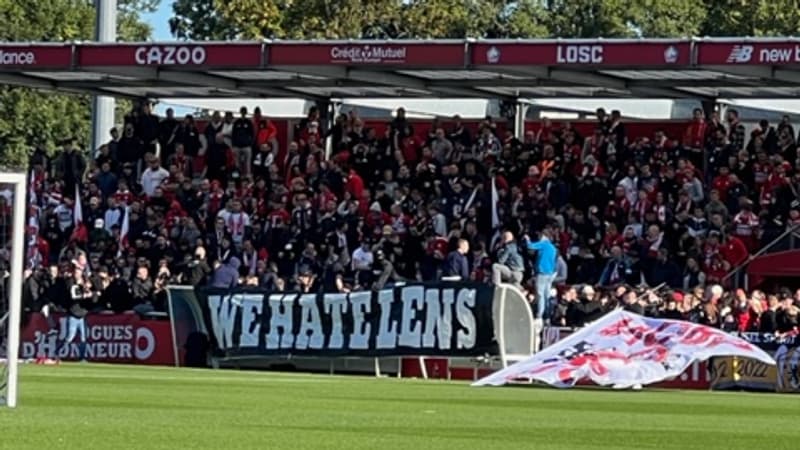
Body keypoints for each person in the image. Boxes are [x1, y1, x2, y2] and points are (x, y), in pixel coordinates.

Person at [524, 225, 559, 320]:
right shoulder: (553, 248)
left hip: (542, 272)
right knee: (547, 294)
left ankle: (540, 315)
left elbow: (530, 246)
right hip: (550, 273)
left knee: (540, 294)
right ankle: (548, 315)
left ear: (544, 236)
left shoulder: (544, 244)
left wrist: (527, 239)